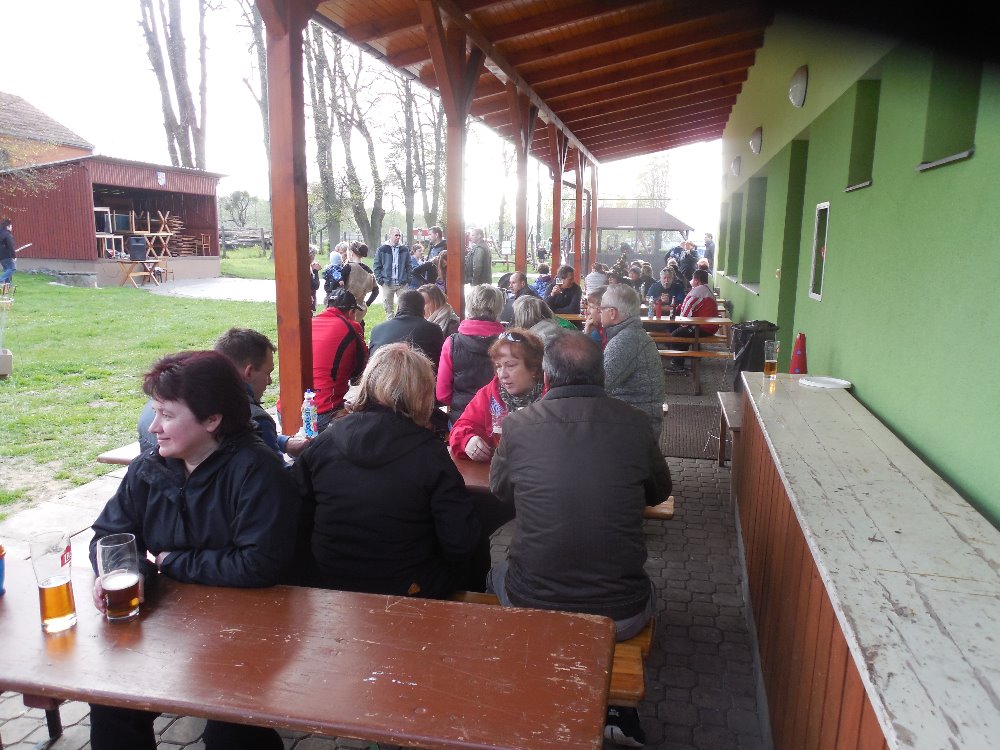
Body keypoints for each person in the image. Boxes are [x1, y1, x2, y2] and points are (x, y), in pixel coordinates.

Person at [88, 350, 299, 750]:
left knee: (231, 731)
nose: (154, 427)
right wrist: (131, 572)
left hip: (251, 629)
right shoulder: (149, 469)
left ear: (212, 420)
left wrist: (172, 562)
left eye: (167, 415)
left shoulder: (257, 471)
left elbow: (259, 564)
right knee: (113, 704)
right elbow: (109, 534)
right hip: (173, 624)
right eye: (155, 412)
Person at [487, 332, 671, 749]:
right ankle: (619, 710)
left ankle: (526, 686)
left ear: (547, 377)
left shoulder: (518, 425)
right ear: (602, 375)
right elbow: (659, 492)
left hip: (531, 602)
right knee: (651, 592)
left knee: (495, 573)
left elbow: (500, 490)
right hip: (620, 614)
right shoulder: (636, 424)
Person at [291, 343, 482, 598]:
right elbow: (460, 541)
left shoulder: (324, 443)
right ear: (422, 393)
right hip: (408, 588)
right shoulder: (430, 454)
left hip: (328, 580)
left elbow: (295, 516)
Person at [448, 328, 544, 462]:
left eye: (510, 365)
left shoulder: (552, 397)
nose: (503, 374)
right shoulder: (489, 393)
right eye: (498, 366)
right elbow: (460, 428)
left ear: (533, 368)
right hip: (497, 472)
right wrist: (468, 441)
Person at [213, 327, 309, 458]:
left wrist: (283, 442)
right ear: (249, 372)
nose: (269, 381)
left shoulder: (203, 401)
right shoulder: (256, 420)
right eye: (268, 373)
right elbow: (276, 470)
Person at [599, 284, 666, 437]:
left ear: (612, 313)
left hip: (635, 425)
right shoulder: (630, 334)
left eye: (601, 308)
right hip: (634, 416)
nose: (598, 311)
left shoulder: (625, 341)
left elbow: (598, 386)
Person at [436, 284, 505, 422]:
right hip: (499, 419)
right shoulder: (509, 343)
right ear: (498, 307)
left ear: (469, 306)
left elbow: (442, 394)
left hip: (463, 419)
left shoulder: (452, 343)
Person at [312, 288, 368, 431]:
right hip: (323, 413)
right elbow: (361, 372)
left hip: (287, 410)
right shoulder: (352, 326)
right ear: (351, 312)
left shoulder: (309, 323)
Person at [368, 289, 444, 368]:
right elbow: (441, 363)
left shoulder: (377, 330)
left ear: (398, 308)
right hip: (419, 375)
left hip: (381, 374)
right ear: (423, 311)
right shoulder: (433, 330)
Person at [667, 268, 720, 372]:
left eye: (692, 279)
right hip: (710, 326)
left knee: (676, 334)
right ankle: (680, 357)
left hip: (704, 327)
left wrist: (681, 322)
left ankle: (677, 364)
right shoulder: (706, 290)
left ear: (696, 280)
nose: (691, 281)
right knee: (680, 332)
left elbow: (686, 311)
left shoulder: (697, 291)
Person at [373, 227, 412, 317]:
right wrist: (380, 281)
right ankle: (390, 323)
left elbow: (409, 265)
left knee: (404, 308)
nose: (398, 237)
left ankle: (401, 323)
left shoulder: (404, 249)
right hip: (387, 284)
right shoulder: (382, 249)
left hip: (402, 284)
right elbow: (377, 266)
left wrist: (408, 279)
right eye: (396, 235)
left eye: (399, 235)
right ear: (390, 235)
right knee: (388, 310)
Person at [583, 286, 608, 350]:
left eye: (591, 307)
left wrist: (586, 334)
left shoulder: (597, 334)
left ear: (600, 310)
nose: (588, 311)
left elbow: (585, 354)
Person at [0, 218, 16, 285]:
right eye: (11, 226)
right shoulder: (7, 235)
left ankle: (7, 285)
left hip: (1, 256)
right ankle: (0, 280)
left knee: (7, 270)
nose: (12, 227)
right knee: (12, 269)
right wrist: (14, 256)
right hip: (7, 256)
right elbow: (11, 246)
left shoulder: (1, 234)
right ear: (7, 227)